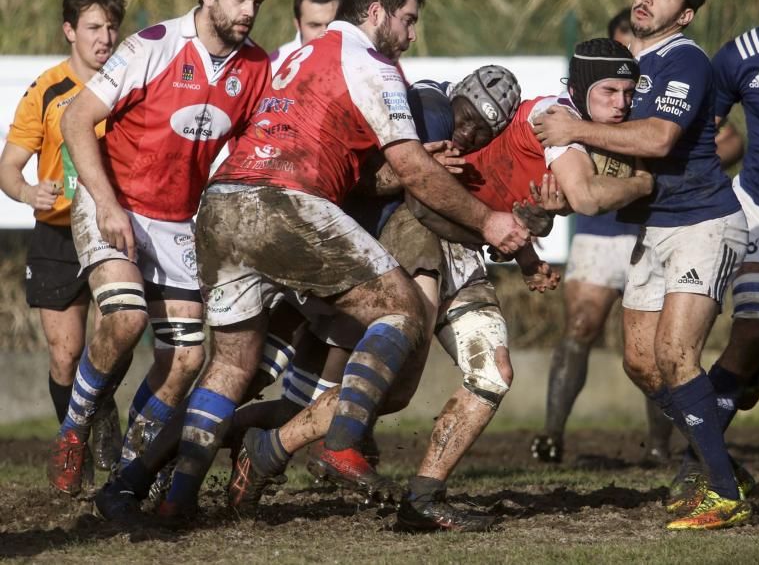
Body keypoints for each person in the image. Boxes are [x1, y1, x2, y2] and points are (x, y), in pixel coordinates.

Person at [99, 0, 530, 520]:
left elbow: (362, 166)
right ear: (376, 12)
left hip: (224, 205)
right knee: (401, 312)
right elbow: (412, 173)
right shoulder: (373, 64)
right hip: (287, 209)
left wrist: (413, 171)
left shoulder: (302, 55)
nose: (411, 36)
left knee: (234, 367)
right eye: (407, 20)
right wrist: (492, 222)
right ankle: (345, 443)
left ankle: (152, 494)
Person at [229, 40, 653, 532]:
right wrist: (644, 185)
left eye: (628, 91)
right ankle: (273, 444)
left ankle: (419, 493)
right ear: (579, 89)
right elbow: (587, 197)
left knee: (490, 373)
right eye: (609, 91)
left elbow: (516, 214)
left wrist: (532, 236)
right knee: (393, 383)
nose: (620, 104)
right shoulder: (557, 121)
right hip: (421, 235)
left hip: (465, 251)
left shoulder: (579, 137)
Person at [533, 0, 752, 530]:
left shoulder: (685, 60)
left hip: (703, 224)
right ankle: (719, 460)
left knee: (677, 357)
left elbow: (657, 140)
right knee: (639, 361)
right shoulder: (634, 64)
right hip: (654, 229)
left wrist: (575, 130)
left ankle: (724, 495)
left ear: (685, 14)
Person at [49, 0, 272, 498]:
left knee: (187, 358)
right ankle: (75, 427)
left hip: (177, 221)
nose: (247, 11)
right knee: (124, 322)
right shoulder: (153, 46)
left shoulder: (256, 66)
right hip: (116, 198)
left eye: (257, 1)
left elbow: (250, 151)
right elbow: (77, 120)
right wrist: (103, 203)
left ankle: (127, 474)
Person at [530, 15, 673, 468]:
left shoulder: (657, 95)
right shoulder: (569, 111)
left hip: (648, 232)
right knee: (581, 325)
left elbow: (727, 141)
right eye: (610, 86)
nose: (621, 97)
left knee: (653, 348)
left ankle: (659, 446)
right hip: (599, 234)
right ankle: (551, 435)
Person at [0, 0, 127, 472]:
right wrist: (29, 192)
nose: (105, 37)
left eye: (113, 27)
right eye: (94, 27)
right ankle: (77, 446)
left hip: (114, 229)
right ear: (70, 31)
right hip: (57, 233)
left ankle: (109, 441)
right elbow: (8, 166)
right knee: (65, 354)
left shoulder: (130, 83)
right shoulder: (47, 89)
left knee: (112, 343)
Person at [269, 0, 341, 74]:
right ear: (298, 25)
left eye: (332, 24)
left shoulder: (360, 58)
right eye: (314, 25)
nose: (325, 33)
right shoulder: (274, 68)